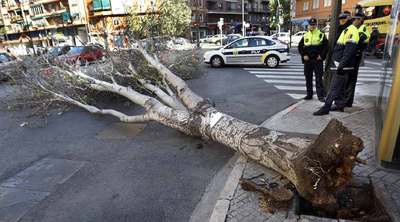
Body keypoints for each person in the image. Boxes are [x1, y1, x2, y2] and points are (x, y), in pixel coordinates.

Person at [313, 12, 364, 116]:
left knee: (334, 87)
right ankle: (340, 105)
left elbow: (349, 50)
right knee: (340, 87)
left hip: (342, 65)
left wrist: (341, 65)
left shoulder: (352, 30)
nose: (361, 22)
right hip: (341, 64)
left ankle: (326, 107)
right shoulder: (349, 29)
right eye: (360, 20)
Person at [298, 18, 329, 102]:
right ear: (309, 25)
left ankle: (320, 96)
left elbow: (326, 46)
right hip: (308, 61)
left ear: (316, 25)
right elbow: (300, 47)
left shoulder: (321, 34)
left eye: (314, 24)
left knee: (319, 79)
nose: (312, 26)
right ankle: (309, 94)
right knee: (308, 78)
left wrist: (321, 56)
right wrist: (304, 55)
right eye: (311, 25)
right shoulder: (306, 35)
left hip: (317, 60)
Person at [345, 14, 370, 107]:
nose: (353, 21)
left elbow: (362, 40)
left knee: (351, 79)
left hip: (355, 56)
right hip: (351, 56)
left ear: (360, 20)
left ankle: (348, 101)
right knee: (347, 79)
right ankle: (346, 99)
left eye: (355, 19)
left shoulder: (362, 29)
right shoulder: (353, 28)